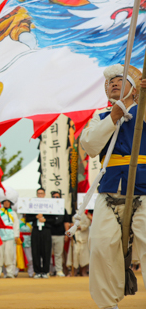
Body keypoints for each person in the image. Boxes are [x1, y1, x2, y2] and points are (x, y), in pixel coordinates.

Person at [80, 64, 146, 309]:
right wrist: (113, 117)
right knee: (99, 245)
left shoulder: (144, 111)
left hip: (144, 189)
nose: (114, 83)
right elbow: (90, 146)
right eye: (110, 82)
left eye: (120, 79)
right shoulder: (100, 117)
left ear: (135, 87)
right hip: (110, 191)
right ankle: (107, 304)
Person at [25, 188, 59, 278]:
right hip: (36, 230)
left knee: (46, 250)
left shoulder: (49, 204)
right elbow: (27, 218)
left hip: (46, 230)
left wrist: (45, 220)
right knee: (35, 251)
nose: (40, 195)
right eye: (38, 193)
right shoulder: (32, 205)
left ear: (44, 194)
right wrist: (36, 217)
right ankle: (37, 271)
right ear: (37, 194)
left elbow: (54, 220)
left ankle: (45, 271)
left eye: (42, 193)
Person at [0, 188, 20, 278]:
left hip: (10, 236)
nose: (6, 203)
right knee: (0, 255)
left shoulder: (13, 213)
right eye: (5, 201)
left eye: (8, 202)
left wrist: (16, 235)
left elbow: (16, 225)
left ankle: (10, 273)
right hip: (0, 235)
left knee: (9, 254)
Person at [49, 191, 69, 277]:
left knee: (58, 254)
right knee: (48, 254)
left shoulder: (63, 209)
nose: (55, 199)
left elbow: (66, 222)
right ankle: (48, 270)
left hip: (60, 234)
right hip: (49, 234)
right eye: (54, 197)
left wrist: (66, 234)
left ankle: (59, 270)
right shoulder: (48, 208)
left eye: (57, 197)